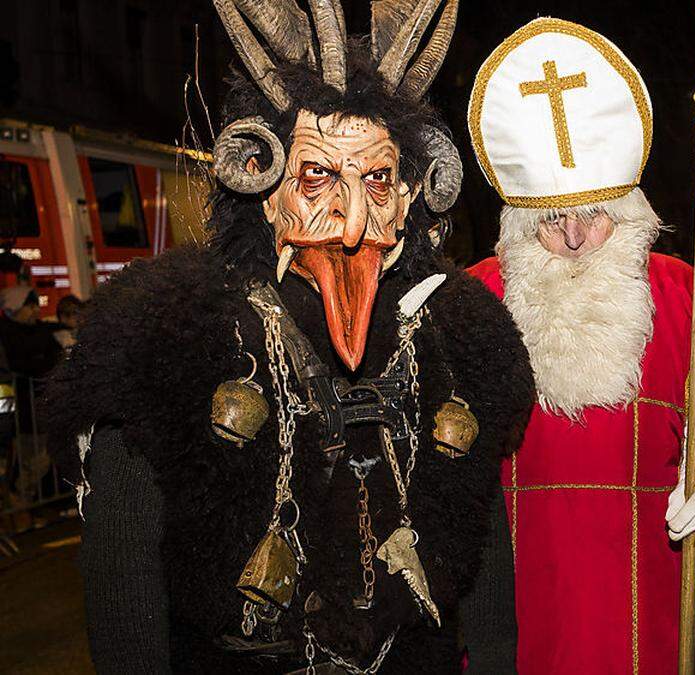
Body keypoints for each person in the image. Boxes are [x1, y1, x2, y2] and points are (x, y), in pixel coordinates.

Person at [45, 2, 534, 672]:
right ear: (265, 180)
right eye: (318, 176)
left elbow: (480, 546)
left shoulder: (460, 331)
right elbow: (123, 571)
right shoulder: (167, 332)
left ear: (410, 195)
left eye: (378, 178)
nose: (352, 219)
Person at [465, 17, 695, 673]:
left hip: (650, 599)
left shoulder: (687, 298)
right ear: (517, 223)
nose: (573, 239)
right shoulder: (470, 302)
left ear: (628, 213)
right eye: (552, 219)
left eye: (593, 214)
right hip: (509, 610)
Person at [0, 285, 62, 377]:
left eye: (37, 305)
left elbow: (57, 354)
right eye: (31, 307)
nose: (37, 310)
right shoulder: (4, 333)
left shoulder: (40, 329)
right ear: (15, 309)